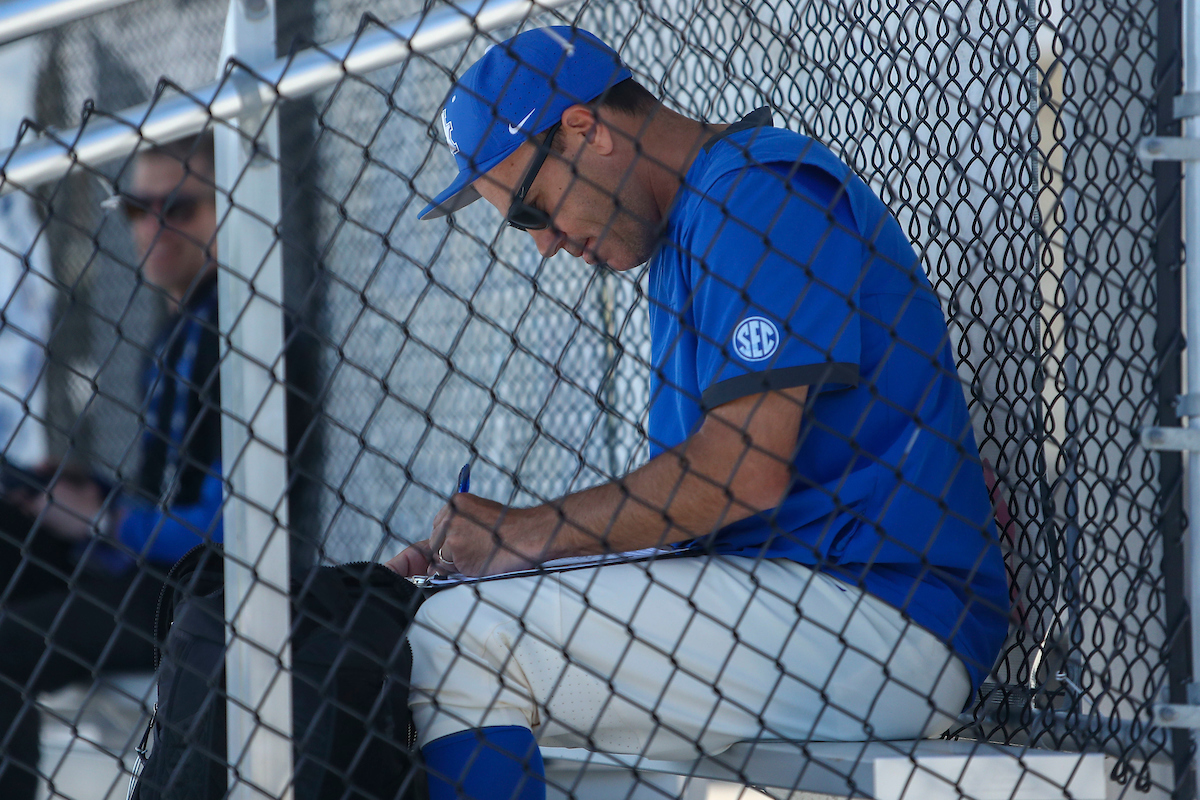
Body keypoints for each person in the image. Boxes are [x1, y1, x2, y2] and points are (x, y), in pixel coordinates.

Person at [387, 26, 1010, 800]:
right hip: (798, 602)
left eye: (531, 209)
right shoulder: (688, 230)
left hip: (888, 614)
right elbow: (702, 503)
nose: (545, 246)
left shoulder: (759, 191)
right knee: (476, 646)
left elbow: (741, 474)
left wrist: (519, 536)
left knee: (464, 641)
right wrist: (502, 554)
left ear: (588, 128)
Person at [0, 132, 224, 799]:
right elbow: (167, 492)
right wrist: (77, 493)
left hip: (197, 592)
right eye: (135, 207)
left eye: (179, 207)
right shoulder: (176, 330)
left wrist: (104, 519)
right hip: (145, 569)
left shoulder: (244, 333)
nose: (152, 227)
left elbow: (227, 529)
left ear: (231, 208)